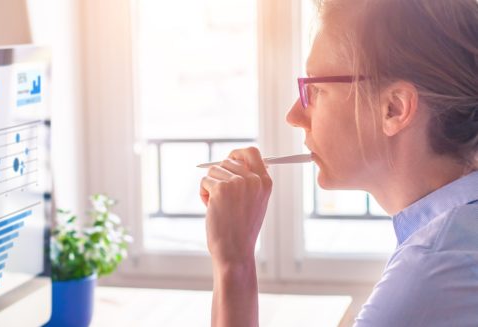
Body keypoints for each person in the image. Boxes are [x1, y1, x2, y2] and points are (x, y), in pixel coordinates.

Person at [199, 0, 478, 326]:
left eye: (315, 89)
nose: (294, 116)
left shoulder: (431, 273)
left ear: (394, 108)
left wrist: (234, 261)